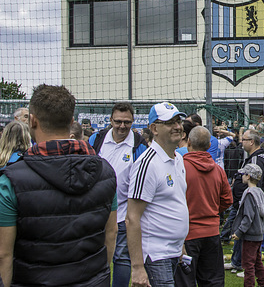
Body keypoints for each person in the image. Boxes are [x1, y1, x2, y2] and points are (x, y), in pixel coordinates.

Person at [0, 84, 117, 286]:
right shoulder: (105, 172)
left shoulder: (10, 181)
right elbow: (111, 233)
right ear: (72, 121)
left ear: (33, 121)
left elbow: (4, 254)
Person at [126, 102, 188, 287]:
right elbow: (132, 217)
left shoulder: (178, 159)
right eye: (169, 122)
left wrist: (180, 245)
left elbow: (175, 203)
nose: (177, 126)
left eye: (178, 120)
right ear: (154, 128)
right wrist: (137, 267)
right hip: (155, 255)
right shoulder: (147, 164)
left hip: (173, 252)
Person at [90, 102, 148, 287]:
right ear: (110, 120)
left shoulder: (139, 146)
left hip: (124, 212)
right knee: (94, 256)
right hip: (97, 211)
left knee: (122, 258)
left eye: (127, 122)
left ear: (133, 121)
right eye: (118, 122)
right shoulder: (95, 140)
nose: (122, 126)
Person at [175, 126, 232, 287]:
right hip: (211, 233)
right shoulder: (218, 170)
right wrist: (212, 209)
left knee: (185, 281)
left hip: (187, 235)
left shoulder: (180, 167)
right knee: (213, 281)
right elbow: (227, 200)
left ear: (188, 143)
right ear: (209, 146)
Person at [226, 129, 264, 275]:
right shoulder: (258, 157)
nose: (241, 142)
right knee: (242, 234)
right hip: (248, 202)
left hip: (250, 203)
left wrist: (259, 201)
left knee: (247, 236)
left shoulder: (256, 160)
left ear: (251, 142)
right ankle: (237, 261)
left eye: (244, 140)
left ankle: (247, 267)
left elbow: (259, 181)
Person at [231, 163, 264, 287]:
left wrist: (238, 232)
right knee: (257, 262)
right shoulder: (260, 192)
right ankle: (263, 284)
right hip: (259, 233)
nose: (241, 176)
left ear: (248, 176)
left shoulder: (249, 194)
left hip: (250, 235)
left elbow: (248, 217)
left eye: (243, 174)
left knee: (248, 265)